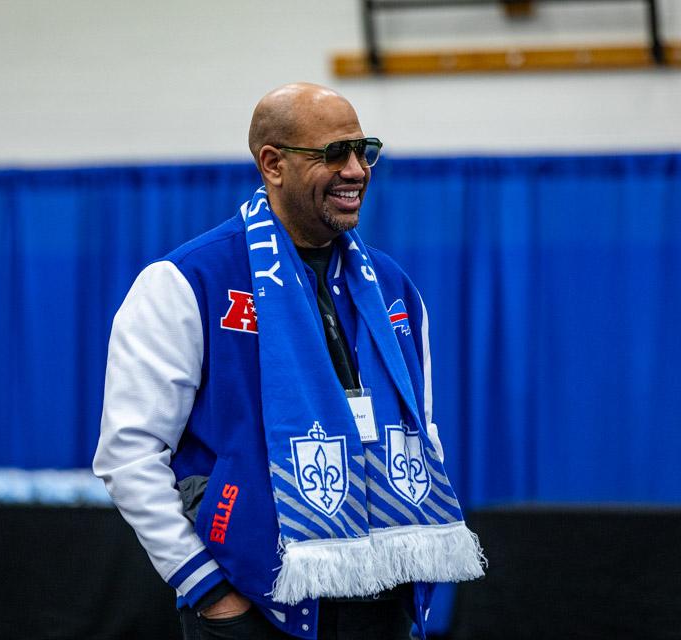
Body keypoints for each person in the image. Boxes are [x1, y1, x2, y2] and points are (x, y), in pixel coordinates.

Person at [93, 83, 484, 640]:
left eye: (363, 150)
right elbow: (128, 457)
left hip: (382, 600)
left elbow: (424, 436)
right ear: (272, 164)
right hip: (253, 603)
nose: (356, 170)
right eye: (333, 154)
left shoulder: (395, 289)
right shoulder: (188, 282)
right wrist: (207, 591)